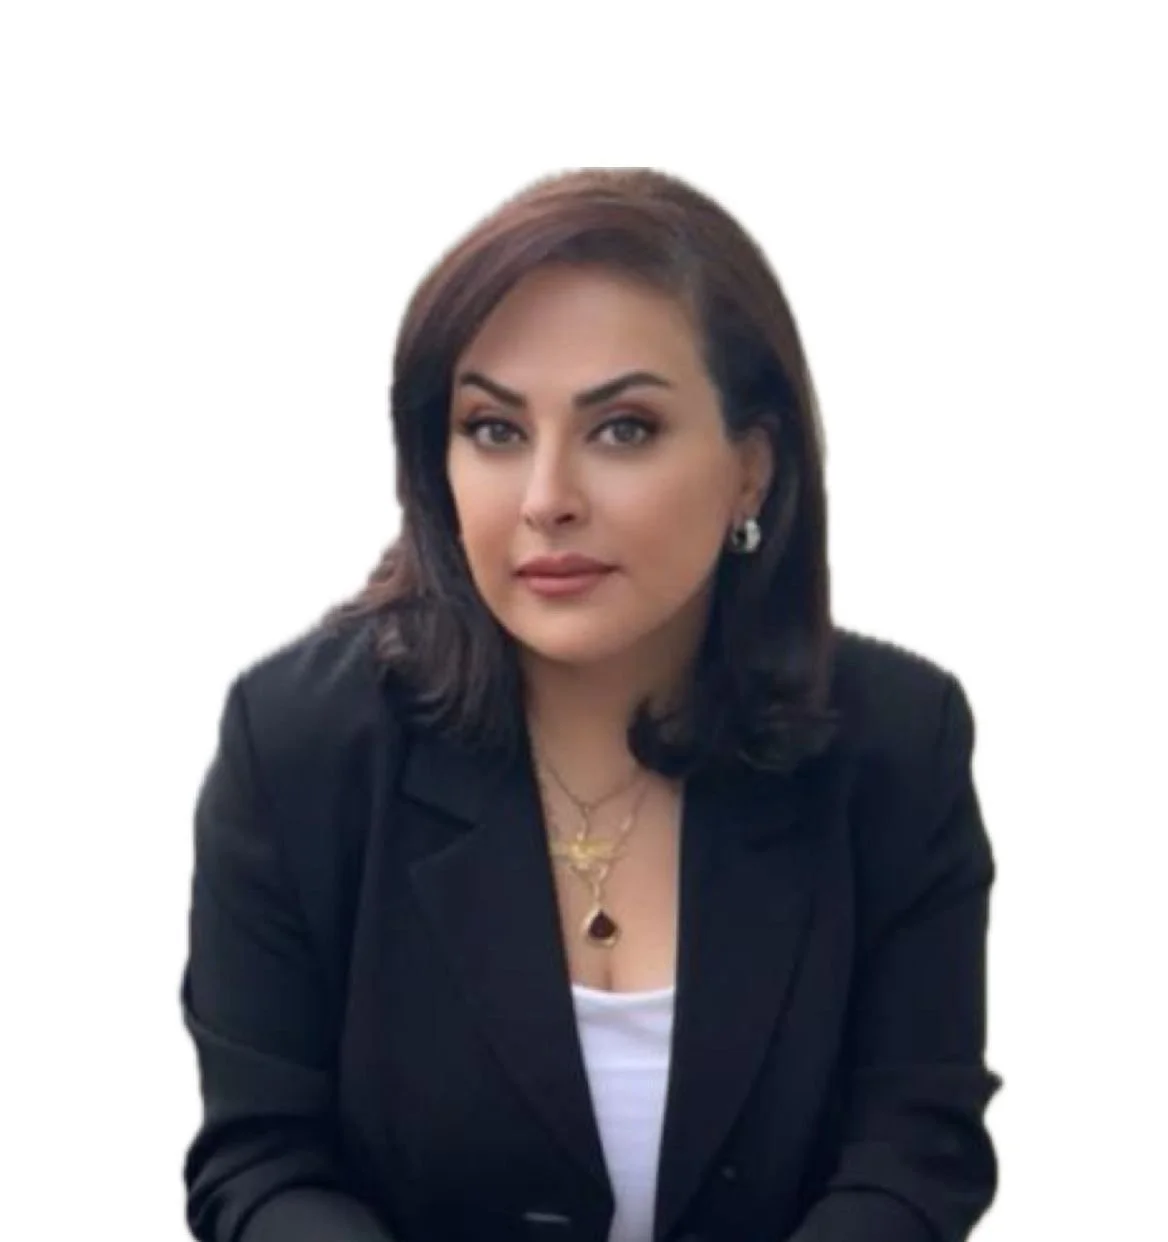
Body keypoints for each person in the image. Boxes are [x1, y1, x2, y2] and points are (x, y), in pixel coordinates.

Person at [180, 167, 1001, 1242]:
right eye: (494, 429)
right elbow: (260, 1162)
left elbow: (915, 1148)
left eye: (622, 429)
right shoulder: (296, 745)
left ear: (751, 470)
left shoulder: (896, 743)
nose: (546, 499)